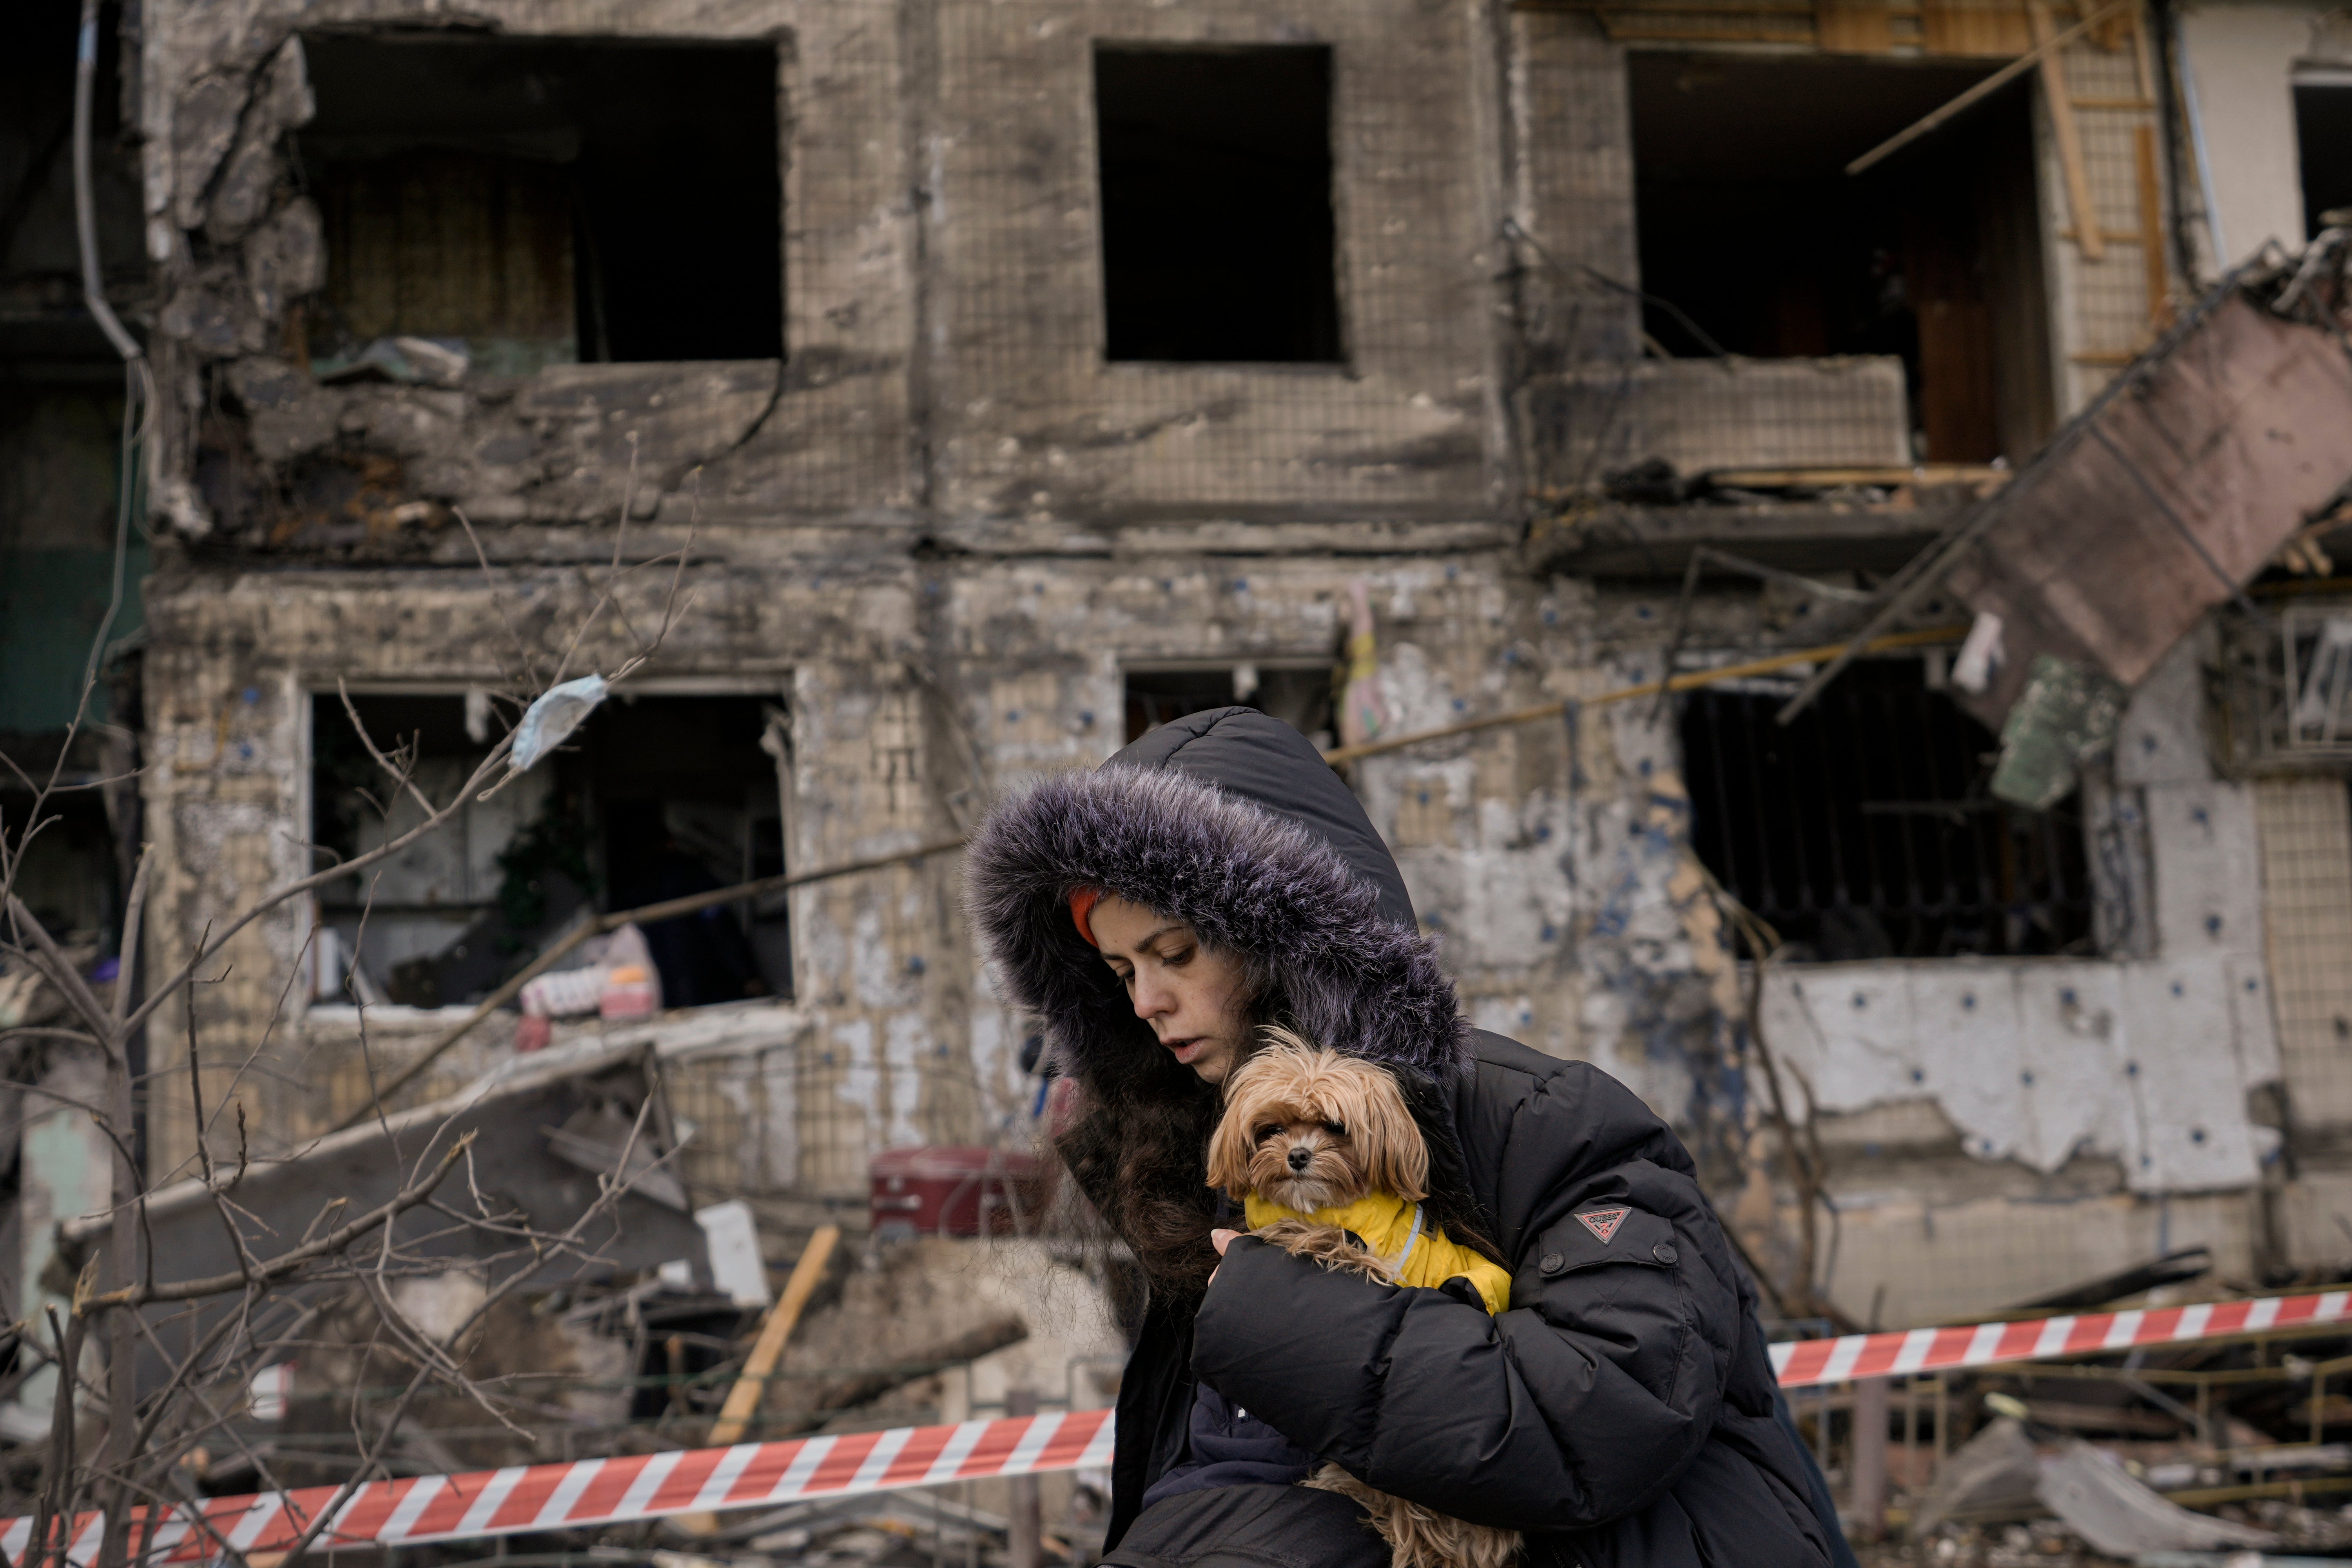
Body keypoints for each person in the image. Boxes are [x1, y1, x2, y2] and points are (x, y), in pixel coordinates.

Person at [967, 708, 1849, 1568]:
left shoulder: (1545, 1119)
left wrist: (1276, 1310)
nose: (1144, 1002)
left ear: (1282, 937)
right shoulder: (1197, 1162)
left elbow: (1605, 1411)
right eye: (1121, 971)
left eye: (1177, 954)